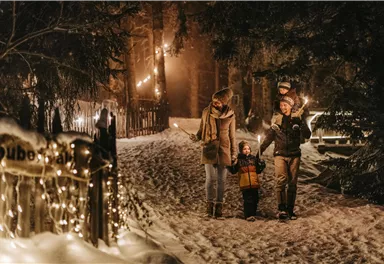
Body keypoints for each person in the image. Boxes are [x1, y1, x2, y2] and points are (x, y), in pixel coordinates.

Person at [260, 95, 311, 220]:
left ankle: (290, 210)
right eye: (281, 105)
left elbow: (307, 135)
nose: (283, 107)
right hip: (280, 154)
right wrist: (260, 150)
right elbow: (269, 137)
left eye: (285, 105)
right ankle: (282, 209)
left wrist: (301, 124)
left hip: (294, 155)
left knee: (292, 183)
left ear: (290, 106)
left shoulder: (297, 119)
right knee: (281, 181)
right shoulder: (277, 120)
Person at [190, 88, 237, 218]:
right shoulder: (206, 112)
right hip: (209, 148)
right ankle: (209, 205)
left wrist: (234, 154)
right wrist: (196, 137)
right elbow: (201, 130)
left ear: (224, 102)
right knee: (210, 179)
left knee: (221, 180)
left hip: (224, 149)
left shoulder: (230, 115)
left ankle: (219, 206)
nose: (215, 103)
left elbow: (232, 136)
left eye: (218, 102)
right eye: (214, 101)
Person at [229, 140, 265, 222]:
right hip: (245, 183)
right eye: (244, 149)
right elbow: (233, 171)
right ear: (241, 150)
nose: (247, 150)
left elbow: (258, 170)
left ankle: (253, 213)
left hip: (254, 182)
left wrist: (262, 165)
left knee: (255, 198)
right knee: (248, 199)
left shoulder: (254, 159)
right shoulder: (239, 160)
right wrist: (231, 165)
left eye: (248, 149)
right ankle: (248, 215)